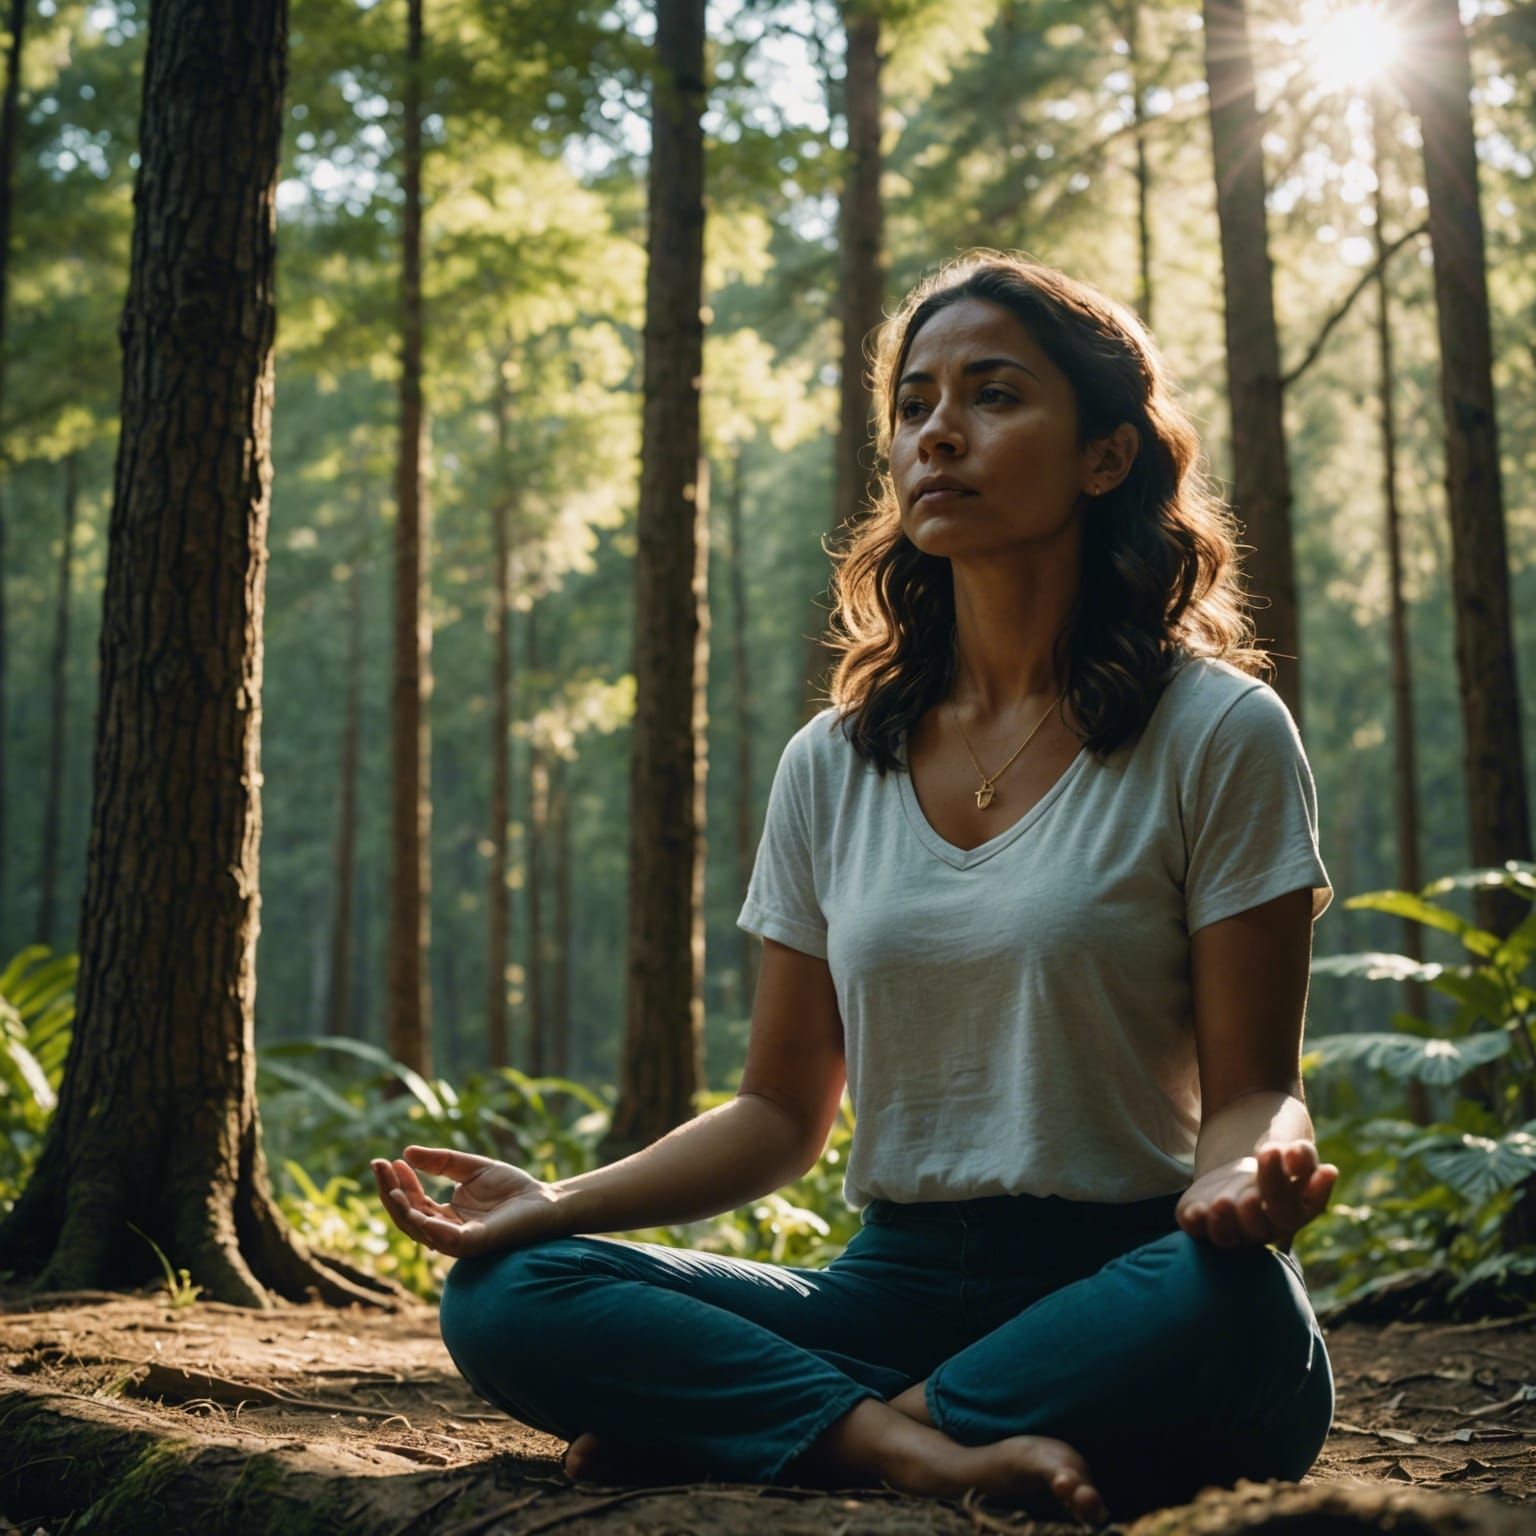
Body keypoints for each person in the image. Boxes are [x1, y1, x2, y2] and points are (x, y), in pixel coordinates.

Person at [370, 251, 1338, 1527]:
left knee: (1239, 1307)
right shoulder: (835, 760)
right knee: (511, 1290)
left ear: (1108, 456)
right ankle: (925, 1449)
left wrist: (1245, 1177)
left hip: (1129, 1276)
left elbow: (1255, 1085)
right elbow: (780, 1109)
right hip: (886, 1288)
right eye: (916, 404)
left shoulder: (1218, 731)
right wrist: (558, 1203)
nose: (941, 432)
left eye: (994, 396)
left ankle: (800, 1426)